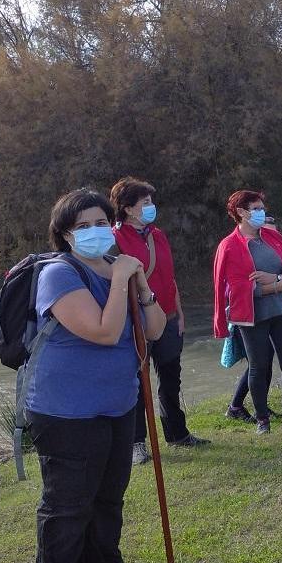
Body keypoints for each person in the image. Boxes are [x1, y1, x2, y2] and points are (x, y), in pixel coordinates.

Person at [29, 188, 167, 563]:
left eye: (101, 223)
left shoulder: (116, 268)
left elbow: (156, 329)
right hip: (65, 410)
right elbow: (105, 331)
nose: (94, 232)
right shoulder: (59, 274)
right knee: (68, 503)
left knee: (109, 495)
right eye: (82, 226)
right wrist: (124, 278)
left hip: (116, 403)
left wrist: (140, 282)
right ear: (65, 234)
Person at [110, 177, 209, 466]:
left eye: (151, 201)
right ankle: (136, 443)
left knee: (171, 379)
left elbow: (169, 277)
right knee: (137, 385)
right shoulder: (116, 240)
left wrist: (178, 314)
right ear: (128, 209)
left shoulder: (158, 235)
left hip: (167, 317)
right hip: (136, 323)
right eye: (145, 203)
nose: (151, 207)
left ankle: (177, 433)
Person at [212, 190, 282, 433]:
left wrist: (274, 280)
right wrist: (277, 285)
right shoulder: (228, 246)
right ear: (241, 213)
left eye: (261, 208)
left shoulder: (273, 237)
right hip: (251, 317)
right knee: (259, 366)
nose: (261, 212)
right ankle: (262, 420)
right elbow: (236, 288)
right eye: (256, 208)